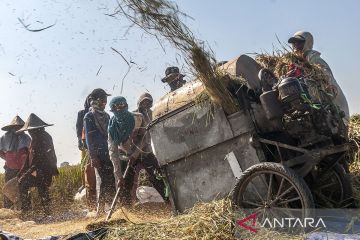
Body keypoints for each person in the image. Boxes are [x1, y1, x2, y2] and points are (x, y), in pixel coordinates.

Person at [108, 96, 166, 205]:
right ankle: (126, 209)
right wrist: (118, 175)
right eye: (117, 110)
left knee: (157, 176)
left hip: (143, 152)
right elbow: (112, 151)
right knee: (124, 184)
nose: (120, 112)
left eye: (122, 108)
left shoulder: (138, 118)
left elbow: (145, 138)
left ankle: (171, 202)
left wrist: (135, 155)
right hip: (124, 155)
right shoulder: (112, 127)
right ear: (113, 111)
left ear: (127, 107)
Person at [288, 31, 350, 125]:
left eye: (299, 42)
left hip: (336, 110)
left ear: (307, 43)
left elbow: (327, 80)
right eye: (294, 42)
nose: (296, 44)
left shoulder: (314, 59)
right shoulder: (295, 62)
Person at [17, 114, 59, 215]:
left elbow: (38, 159)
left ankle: (27, 211)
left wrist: (28, 172)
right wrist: (22, 170)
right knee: (42, 189)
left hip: (43, 169)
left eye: (30, 130)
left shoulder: (41, 138)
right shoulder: (39, 137)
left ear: (35, 129)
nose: (29, 132)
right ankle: (46, 212)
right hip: (41, 169)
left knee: (23, 183)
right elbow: (29, 157)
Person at [84, 88, 115, 215]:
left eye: (105, 100)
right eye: (102, 100)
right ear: (95, 100)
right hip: (99, 155)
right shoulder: (89, 116)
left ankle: (110, 207)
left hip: (110, 152)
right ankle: (101, 210)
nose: (105, 103)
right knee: (104, 181)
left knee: (111, 180)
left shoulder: (107, 116)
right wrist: (93, 157)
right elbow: (89, 138)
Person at [0, 116, 31, 209]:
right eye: (16, 126)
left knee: (24, 190)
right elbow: (0, 151)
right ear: (12, 127)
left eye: (20, 126)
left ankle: (26, 211)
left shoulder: (26, 137)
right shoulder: (5, 137)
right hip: (10, 169)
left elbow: (30, 152)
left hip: (23, 169)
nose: (18, 128)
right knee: (8, 190)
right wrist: (8, 158)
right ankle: (8, 212)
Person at [76, 94, 96, 209]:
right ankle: (84, 184)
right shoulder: (82, 113)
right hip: (85, 142)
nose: (91, 101)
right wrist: (80, 141)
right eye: (89, 100)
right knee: (85, 165)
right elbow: (79, 128)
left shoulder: (97, 113)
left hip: (95, 142)